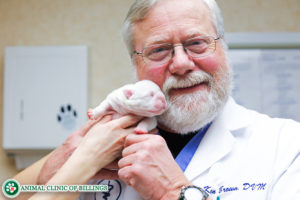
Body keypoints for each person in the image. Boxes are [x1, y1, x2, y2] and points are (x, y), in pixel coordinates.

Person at [12, 0, 300, 199]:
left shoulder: (286, 147)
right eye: (159, 50)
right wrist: (50, 177)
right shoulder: (98, 142)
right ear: (135, 65)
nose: (182, 63)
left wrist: (173, 192)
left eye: (196, 43)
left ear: (223, 46)